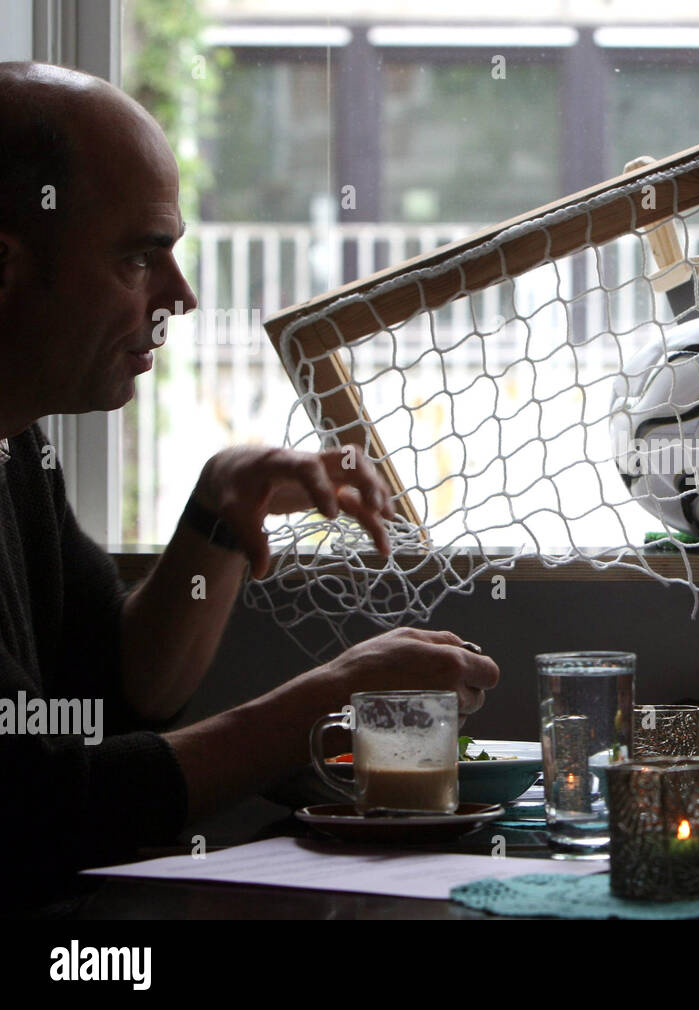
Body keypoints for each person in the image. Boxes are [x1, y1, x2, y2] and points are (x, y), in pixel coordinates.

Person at [0, 62, 499, 905]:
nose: (182, 297)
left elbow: (118, 695)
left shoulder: (15, 444)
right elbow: (37, 804)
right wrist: (330, 701)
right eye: (138, 259)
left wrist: (221, 513)